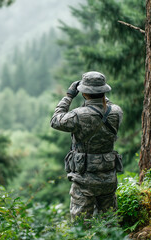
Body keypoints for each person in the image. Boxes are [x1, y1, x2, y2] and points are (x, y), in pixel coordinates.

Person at [50, 71, 123, 220]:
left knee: (81, 224)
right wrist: (99, 92)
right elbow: (105, 105)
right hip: (108, 176)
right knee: (109, 221)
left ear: (84, 93)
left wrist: (69, 96)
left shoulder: (78, 115)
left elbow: (55, 120)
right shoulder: (116, 112)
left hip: (84, 180)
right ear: (104, 91)